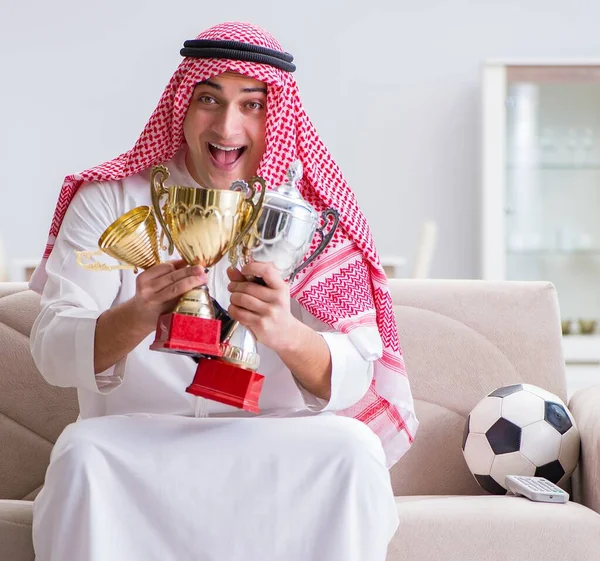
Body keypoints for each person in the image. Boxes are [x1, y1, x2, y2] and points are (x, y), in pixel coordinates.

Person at [29, 21, 418, 561]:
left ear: (276, 116)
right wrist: (139, 314)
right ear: (182, 106)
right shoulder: (111, 200)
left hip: (276, 446)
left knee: (352, 450)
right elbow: (50, 351)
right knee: (82, 455)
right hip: (137, 445)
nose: (228, 125)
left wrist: (284, 333)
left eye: (252, 105)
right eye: (209, 99)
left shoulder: (307, 217)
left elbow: (355, 378)